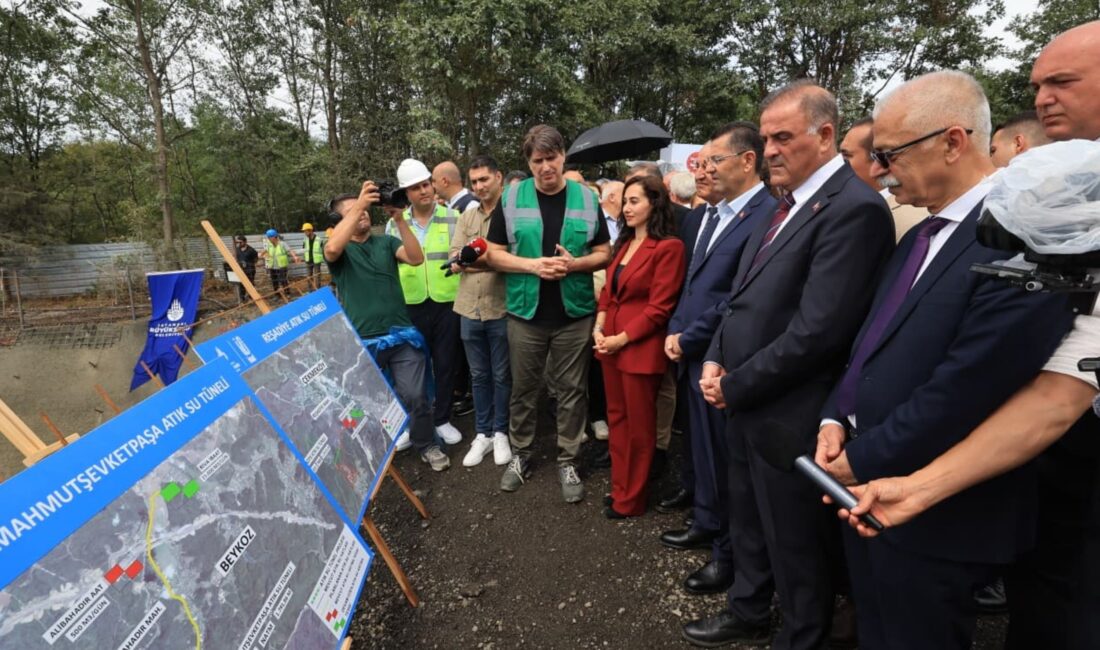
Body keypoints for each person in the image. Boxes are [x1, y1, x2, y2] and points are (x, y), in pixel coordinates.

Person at [830, 21, 1100, 650]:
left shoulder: (1029, 221)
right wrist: (839, 418)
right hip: (1005, 489)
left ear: (952, 141)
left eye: (1062, 81)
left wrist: (879, 465)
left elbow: (980, 379)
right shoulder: (1038, 216)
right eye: (1036, 84)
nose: (1040, 100)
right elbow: (1060, 392)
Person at [684, 80, 895, 649]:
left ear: (825, 135)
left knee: (796, 538)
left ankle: (803, 633)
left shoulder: (855, 209)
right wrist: (715, 358)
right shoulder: (783, 205)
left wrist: (737, 384)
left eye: (782, 138)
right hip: (745, 398)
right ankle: (749, 608)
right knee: (749, 519)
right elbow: (740, 299)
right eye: (766, 138)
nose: (770, 149)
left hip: (792, 409)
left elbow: (819, 331)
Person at [662, 123, 776, 599]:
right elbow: (693, 283)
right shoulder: (709, 215)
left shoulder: (765, 214)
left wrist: (693, 336)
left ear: (747, 161)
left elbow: (735, 295)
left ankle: (728, 554)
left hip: (719, 355)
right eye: (703, 162)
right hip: (691, 350)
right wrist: (676, 332)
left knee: (727, 463)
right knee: (703, 453)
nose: (704, 169)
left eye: (714, 161)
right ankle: (708, 522)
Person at [485, 124, 612, 503]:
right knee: (524, 390)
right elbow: (492, 253)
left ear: (563, 157)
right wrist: (532, 266)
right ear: (528, 162)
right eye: (537, 160)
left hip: (574, 313)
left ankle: (568, 459)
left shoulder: (587, 199)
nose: (546, 167)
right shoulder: (511, 198)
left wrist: (574, 266)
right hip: (526, 313)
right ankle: (521, 455)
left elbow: (605, 253)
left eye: (552, 158)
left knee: (573, 391)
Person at [323, 181, 449, 471]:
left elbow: (415, 258)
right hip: (363, 343)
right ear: (341, 220)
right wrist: (360, 205)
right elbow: (331, 248)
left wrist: (399, 219)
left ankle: (427, 444)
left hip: (402, 335)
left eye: (365, 209)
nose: (363, 213)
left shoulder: (386, 242)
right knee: (366, 403)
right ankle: (375, 453)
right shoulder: (338, 252)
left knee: (417, 395)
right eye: (354, 210)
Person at [594, 175, 685, 518]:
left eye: (635, 201)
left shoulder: (668, 248)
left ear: (654, 204)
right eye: (625, 201)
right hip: (610, 344)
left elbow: (660, 308)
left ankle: (632, 498)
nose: (626, 207)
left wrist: (621, 338)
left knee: (639, 427)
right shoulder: (624, 242)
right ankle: (621, 488)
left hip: (637, 347)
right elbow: (608, 292)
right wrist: (600, 325)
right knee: (617, 421)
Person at [385, 158, 465, 447]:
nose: (424, 191)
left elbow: (462, 258)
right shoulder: (394, 225)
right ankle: (416, 422)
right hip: (411, 303)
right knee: (414, 368)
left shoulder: (453, 217)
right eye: (415, 187)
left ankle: (442, 418)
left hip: (447, 301)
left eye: (426, 184)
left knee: (445, 364)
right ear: (405, 193)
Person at [450, 155, 513, 468]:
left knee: (502, 374)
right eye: (474, 182)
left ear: (498, 177)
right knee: (478, 375)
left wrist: (472, 261)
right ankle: (483, 433)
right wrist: (489, 259)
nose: (479, 187)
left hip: (500, 307)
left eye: (484, 179)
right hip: (468, 308)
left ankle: (501, 431)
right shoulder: (467, 216)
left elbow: (513, 259)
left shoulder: (512, 215)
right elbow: (454, 258)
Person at [841, 117, 925, 241]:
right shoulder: (844, 204)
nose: (839, 165)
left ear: (878, 159)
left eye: (846, 157)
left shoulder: (911, 221)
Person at [260, 229, 299, 301]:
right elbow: (265, 251)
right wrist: (261, 254)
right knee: (274, 281)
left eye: (269, 237)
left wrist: (295, 256)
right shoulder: (269, 245)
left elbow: (290, 250)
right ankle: (277, 295)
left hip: (281, 266)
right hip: (272, 266)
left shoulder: (282, 244)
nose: (268, 239)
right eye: (268, 237)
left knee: (283, 280)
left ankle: (287, 294)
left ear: (274, 237)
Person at [233, 235, 258, 302]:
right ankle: (242, 298)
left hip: (250, 270)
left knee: (250, 283)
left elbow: (256, 259)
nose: (239, 244)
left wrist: (250, 264)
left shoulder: (251, 250)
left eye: (240, 242)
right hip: (241, 270)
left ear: (245, 242)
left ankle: (252, 297)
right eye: (238, 242)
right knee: (241, 284)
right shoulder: (237, 250)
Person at [300, 223, 325, 290]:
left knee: (317, 276)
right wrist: (303, 258)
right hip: (308, 260)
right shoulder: (305, 240)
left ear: (310, 230)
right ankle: (310, 290)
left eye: (306, 231)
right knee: (309, 277)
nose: (305, 233)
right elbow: (303, 249)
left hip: (317, 261)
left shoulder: (319, 239)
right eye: (304, 231)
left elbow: (323, 250)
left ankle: (318, 290)